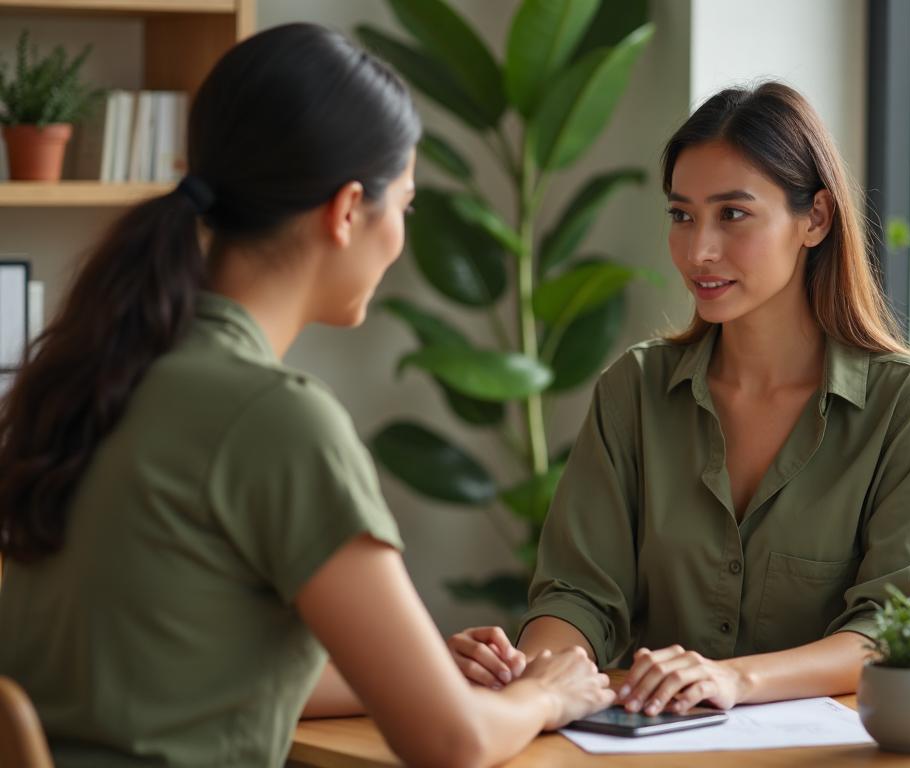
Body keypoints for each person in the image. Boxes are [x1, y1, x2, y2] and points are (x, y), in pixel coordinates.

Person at [0, 23, 613, 768]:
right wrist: (549, 693)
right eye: (406, 206)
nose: (402, 236)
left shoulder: (95, 373)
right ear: (349, 208)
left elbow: (198, 665)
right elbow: (451, 744)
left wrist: (416, 672)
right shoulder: (274, 418)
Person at [450, 81, 910, 717]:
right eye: (682, 215)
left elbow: (894, 628)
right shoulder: (634, 391)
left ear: (816, 219)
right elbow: (578, 595)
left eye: (733, 214)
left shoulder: (905, 405)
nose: (699, 251)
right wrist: (536, 675)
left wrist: (734, 680)